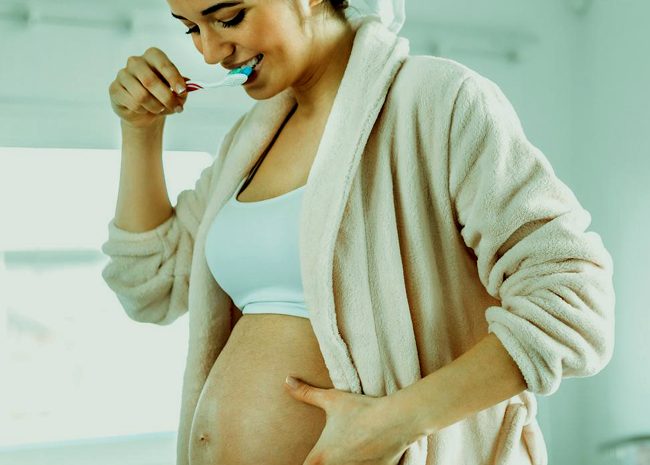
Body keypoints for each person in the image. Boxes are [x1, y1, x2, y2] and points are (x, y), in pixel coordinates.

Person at [102, 0, 616, 464]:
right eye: (191, 28)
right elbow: (151, 286)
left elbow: (572, 298)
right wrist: (140, 132)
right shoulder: (247, 143)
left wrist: (398, 422)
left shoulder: (438, 100)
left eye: (229, 17)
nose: (211, 53)